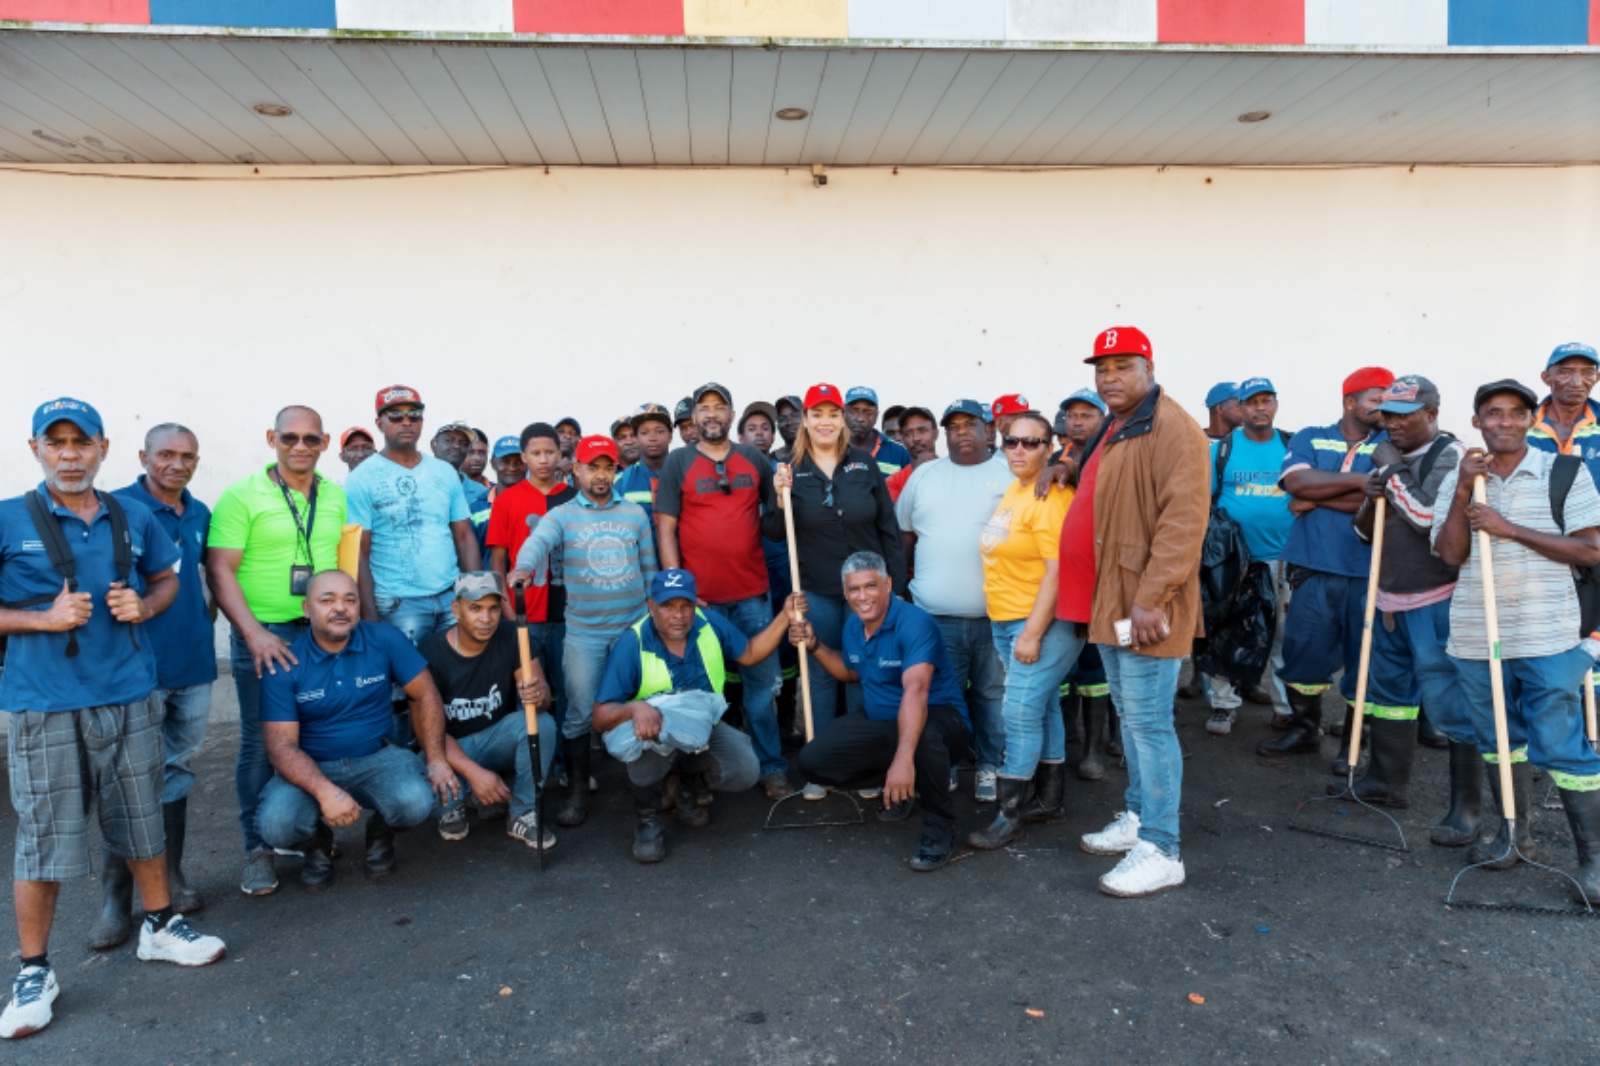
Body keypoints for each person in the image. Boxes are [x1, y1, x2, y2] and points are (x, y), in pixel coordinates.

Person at [0, 399, 225, 1041]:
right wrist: (40, 619)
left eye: (81, 442)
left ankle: (158, 927)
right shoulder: (9, 518)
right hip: (43, 702)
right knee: (43, 837)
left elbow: (168, 581)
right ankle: (35, 971)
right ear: (35, 448)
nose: (69, 454)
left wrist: (144, 605)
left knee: (141, 815)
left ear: (102, 447)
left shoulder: (132, 514)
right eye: (56, 442)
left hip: (128, 692)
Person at [1433, 378, 1600, 900]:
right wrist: (1463, 489)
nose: (1503, 422)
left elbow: (1590, 551)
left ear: (1531, 419)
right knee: (1499, 739)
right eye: (1492, 413)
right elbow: (1449, 555)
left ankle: (1593, 860)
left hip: (1548, 633)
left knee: (1561, 744)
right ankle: (1512, 836)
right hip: (1477, 634)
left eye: (1515, 413)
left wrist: (1510, 529)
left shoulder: (1565, 472)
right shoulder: (1464, 479)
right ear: (1477, 422)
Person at [1068, 327, 1209, 898]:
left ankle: (1162, 846)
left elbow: (1183, 522)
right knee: (1130, 712)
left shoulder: (1172, 427)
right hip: (1113, 601)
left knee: (1149, 722)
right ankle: (1136, 816)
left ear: (1149, 367)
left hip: (1146, 604)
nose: (1109, 377)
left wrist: (1151, 598)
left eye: (1122, 366)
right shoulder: (1118, 423)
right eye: (1102, 368)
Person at [208, 405, 348, 897]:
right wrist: (252, 633)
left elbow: (339, 563)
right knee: (258, 744)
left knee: (314, 734)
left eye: (311, 439)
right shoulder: (241, 495)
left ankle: (311, 837)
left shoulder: (333, 495)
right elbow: (220, 570)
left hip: (318, 634)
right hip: (263, 634)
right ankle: (256, 849)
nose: (301, 447)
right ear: (272, 438)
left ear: (325, 443)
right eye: (290, 438)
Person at [256, 571, 459, 889]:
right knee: (276, 824)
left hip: (376, 756)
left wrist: (436, 758)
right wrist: (326, 793)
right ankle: (317, 844)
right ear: (307, 609)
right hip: (312, 765)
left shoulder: (385, 639)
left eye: (349, 600)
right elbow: (281, 747)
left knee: (419, 801)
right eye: (328, 600)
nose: (340, 608)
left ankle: (381, 832)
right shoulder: (286, 661)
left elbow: (425, 693)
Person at [1347, 376, 1478, 837]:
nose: (1394, 425)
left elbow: (1427, 518)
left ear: (1433, 413)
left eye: (1406, 415)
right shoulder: (1390, 460)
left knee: (1452, 701)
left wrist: (1391, 472)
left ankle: (1466, 810)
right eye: (1388, 415)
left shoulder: (1452, 456)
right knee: (1390, 696)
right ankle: (1386, 781)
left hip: (1437, 598)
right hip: (1388, 596)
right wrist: (1372, 493)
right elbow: (1364, 533)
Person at [593, 569, 795, 862]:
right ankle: (647, 822)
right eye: (668, 606)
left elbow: (750, 653)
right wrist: (634, 708)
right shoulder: (632, 643)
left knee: (745, 768)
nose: (679, 615)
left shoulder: (709, 623)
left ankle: (684, 787)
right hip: (654, 732)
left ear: (695, 604)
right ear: (651, 606)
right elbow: (600, 717)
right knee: (647, 747)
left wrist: (786, 616)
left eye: (685, 606)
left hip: (702, 730)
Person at [792, 552, 973, 872]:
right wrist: (814, 643)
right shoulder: (853, 626)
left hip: (939, 719)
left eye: (871, 586)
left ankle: (938, 826)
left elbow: (916, 689)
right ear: (845, 593)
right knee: (812, 761)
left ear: (888, 585)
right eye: (854, 589)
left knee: (924, 737)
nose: (863, 596)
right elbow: (850, 673)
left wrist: (904, 758)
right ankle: (904, 786)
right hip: (883, 721)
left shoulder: (915, 623)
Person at [511, 436, 657, 827]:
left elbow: (650, 571)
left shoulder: (634, 514)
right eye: (593, 467)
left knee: (644, 701)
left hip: (632, 630)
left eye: (608, 467)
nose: (601, 475)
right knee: (578, 713)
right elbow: (537, 541)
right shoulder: (562, 515)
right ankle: (577, 790)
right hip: (584, 634)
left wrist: (653, 619)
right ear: (576, 469)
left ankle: (647, 788)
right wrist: (524, 568)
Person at [105, 424, 214, 939]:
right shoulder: (115, 507)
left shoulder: (200, 512)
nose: (177, 463)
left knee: (176, 768)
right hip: (137, 665)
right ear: (143, 456)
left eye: (186, 456)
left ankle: (170, 874)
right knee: (126, 776)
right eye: (166, 454)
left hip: (192, 662)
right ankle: (115, 897)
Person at [655, 384, 789, 797]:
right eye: (703, 408)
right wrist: (678, 590)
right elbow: (666, 528)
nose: (711, 414)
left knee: (761, 688)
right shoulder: (678, 462)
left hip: (751, 593)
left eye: (719, 407)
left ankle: (771, 767)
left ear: (731, 415)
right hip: (701, 600)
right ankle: (702, 775)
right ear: (693, 417)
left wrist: (784, 494)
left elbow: (773, 519)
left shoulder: (753, 459)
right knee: (700, 690)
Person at [771, 384, 909, 761]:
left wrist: (894, 586)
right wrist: (776, 496)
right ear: (805, 420)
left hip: (867, 591)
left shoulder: (864, 465)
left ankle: (862, 757)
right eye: (817, 414)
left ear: (842, 418)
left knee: (865, 672)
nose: (826, 422)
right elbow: (772, 531)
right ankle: (823, 760)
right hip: (817, 588)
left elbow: (888, 529)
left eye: (833, 414)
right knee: (820, 673)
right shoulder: (789, 470)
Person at [1265, 367, 1393, 764]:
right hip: (1313, 567)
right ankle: (1304, 731)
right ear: (1350, 401)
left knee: (1366, 660)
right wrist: (1360, 484)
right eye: (1376, 399)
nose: (1384, 407)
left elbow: (1390, 498)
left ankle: (1355, 744)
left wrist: (1317, 498)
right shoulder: (1310, 435)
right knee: (1304, 653)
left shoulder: (1392, 442)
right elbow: (1297, 485)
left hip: (1371, 572)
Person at [967, 411, 1080, 850]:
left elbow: (1057, 571)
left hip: (1039, 621)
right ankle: (1049, 801)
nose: (1018, 450)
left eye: (1031, 443)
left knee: (1016, 712)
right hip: (1007, 617)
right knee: (1043, 704)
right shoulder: (1018, 489)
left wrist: (1032, 633)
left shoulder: (1051, 498)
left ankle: (1008, 812)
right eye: (1011, 441)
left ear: (1049, 447)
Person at [896, 400, 1009, 801]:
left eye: (970, 424)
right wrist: (904, 592)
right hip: (933, 616)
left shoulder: (1009, 473)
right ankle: (943, 764)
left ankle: (990, 766)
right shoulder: (925, 475)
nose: (961, 431)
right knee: (941, 696)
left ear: (987, 429)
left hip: (995, 614)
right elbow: (904, 537)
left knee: (992, 696)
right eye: (953, 426)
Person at [419, 572, 556, 850]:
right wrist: (474, 773)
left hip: (496, 738)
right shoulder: (431, 650)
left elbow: (543, 702)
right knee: (420, 801)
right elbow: (424, 731)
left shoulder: (513, 634)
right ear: (456, 609)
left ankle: (523, 811)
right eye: (476, 608)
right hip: (449, 746)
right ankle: (459, 800)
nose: (486, 618)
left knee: (544, 723)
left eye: (493, 608)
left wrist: (538, 695)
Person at [346, 386, 480, 644]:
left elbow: (463, 537)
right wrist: (369, 614)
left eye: (414, 415)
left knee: (457, 677)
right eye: (395, 416)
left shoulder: (444, 472)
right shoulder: (362, 478)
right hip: (397, 604)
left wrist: (475, 595)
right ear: (380, 423)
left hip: (450, 596)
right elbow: (359, 552)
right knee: (407, 682)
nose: (406, 421)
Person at [1204, 376, 1294, 735]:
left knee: (1283, 636)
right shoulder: (1221, 450)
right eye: (1251, 401)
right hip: (1234, 562)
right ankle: (1224, 705)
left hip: (1283, 560)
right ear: (1239, 408)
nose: (1260, 408)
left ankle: (1285, 709)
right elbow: (1205, 502)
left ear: (1275, 404)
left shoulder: (1291, 446)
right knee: (1227, 630)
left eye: (1266, 400)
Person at [486, 423, 577, 762]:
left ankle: (571, 765)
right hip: (525, 614)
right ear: (524, 457)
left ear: (560, 454)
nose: (543, 460)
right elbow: (497, 559)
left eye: (550, 452)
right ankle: (538, 767)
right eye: (535, 453)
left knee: (569, 692)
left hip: (570, 615)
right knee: (534, 694)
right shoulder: (508, 500)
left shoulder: (573, 497)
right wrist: (507, 610)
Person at [1052, 389, 1115, 781]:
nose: (1077, 421)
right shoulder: (1053, 461)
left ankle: (1095, 750)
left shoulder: (1112, 457)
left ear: (1103, 419)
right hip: (1060, 582)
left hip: (1101, 581)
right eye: (1072, 415)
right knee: (1060, 667)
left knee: (1096, 668)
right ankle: (1063, 741)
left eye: (1087, 415)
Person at [1529, 342, 1600, 478]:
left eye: (1588, 373)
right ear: (1546, 378)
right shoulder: (1522, 425)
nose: (1577, 382)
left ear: (1597, 378)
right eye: (1565, 372)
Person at [430, 419, 492, 550]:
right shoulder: (418, 485)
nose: (457, 446)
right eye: (449, 440)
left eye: (463, 443)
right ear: (434, 444)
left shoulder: (482, 493)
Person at [616, 404, 673, 533]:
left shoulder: (684, 473)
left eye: (659, 431)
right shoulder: (622, 480)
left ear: (670, 435)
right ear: (636, 438)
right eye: (644, 432)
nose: (652, 438)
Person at [843, 386, 912, 479]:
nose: (860, 418)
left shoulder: (899, 452)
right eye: (853, 411)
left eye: (868, 412)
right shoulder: (829, 448)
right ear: (844, 413)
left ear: (876, 416)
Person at [884, 405, 938, 502]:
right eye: (908, 433)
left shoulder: (953, 472)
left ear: (935, 433)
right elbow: (898, 515)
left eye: (922, 431)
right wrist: (916, 475)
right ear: (903, 439)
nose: (915, 438)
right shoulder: (893, 482)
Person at [487, 435, 525, 504]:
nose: (512, 468)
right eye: (505, 462)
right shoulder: (477, 506)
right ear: (493, 464)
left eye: (519, 462)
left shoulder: (540, 503)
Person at [773, 395, 803, 462]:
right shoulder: (771, 461)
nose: (789, 423)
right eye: (782, 418)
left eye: (795, 416)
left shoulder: (821, 455)